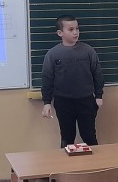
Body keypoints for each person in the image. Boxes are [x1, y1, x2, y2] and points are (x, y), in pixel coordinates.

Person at [41, 15, 104, 147]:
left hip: (86, 101)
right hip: (63, 102)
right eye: (71, 29)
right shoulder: (53, 54)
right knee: (67, 137)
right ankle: (66, 161)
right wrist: (47, 102)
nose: (75, 32)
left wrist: (98, 95)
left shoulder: (88, 51)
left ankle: (96, 161)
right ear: (60, 33)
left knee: (89, 136)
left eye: (77, 28)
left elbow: (97, 74)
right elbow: (47, 79)